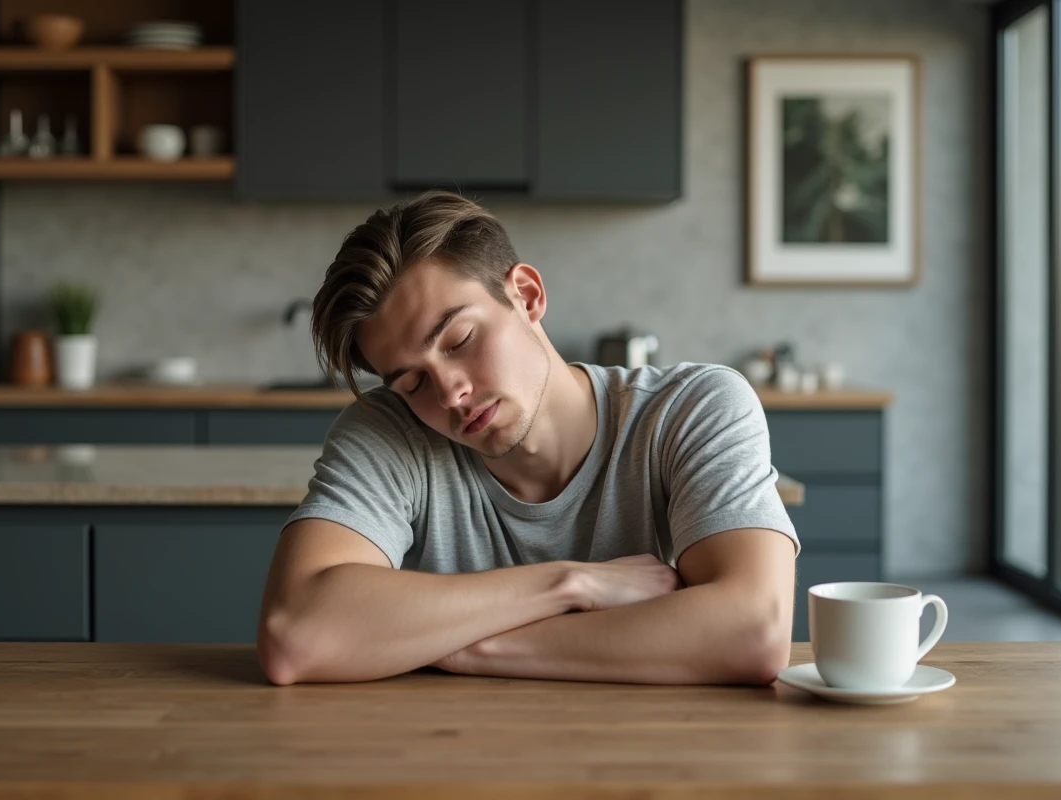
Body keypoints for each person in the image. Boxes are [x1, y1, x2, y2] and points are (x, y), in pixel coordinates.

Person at [257, 191, 800, 686]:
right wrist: (570, 584)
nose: (450, 393)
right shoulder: (390, 431)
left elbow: (754, 630)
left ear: (527, 294)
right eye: (413, 382)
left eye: (459, 340)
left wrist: (469, 648)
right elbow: (295, 635)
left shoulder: (692, 408)